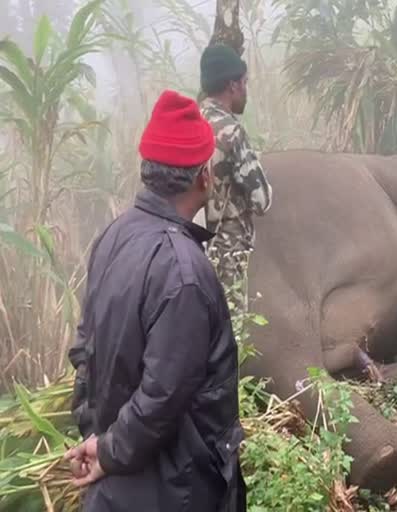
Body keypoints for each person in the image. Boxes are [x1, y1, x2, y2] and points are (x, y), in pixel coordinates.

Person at [65, 90, 246, 512]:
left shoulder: (114, 235)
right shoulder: (185, 272)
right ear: (204, 177)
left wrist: (97, 436)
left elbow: (83, 348)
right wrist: (108, 452)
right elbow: (163, 394)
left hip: (119, 487)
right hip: (173, 490)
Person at [198, 43, 272, 308]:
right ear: (233, 86)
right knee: (230, 331)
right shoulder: (231, 131)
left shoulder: (191, 122)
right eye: (244, 82)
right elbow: (261, 201)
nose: (245, 90)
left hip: (189, 250)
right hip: (226, 254)